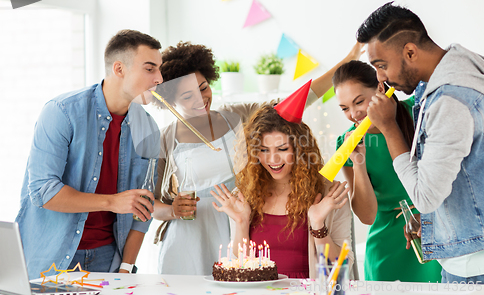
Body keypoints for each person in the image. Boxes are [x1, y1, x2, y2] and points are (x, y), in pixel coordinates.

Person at [151, 41, 363, 275]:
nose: (200, 99)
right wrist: (173, 210)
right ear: (171, 101)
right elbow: (149, 204)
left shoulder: (238, 115)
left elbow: (297, 102)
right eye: (188, 96)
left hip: (239, 225)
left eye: (203, 88)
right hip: (191, 238)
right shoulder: (165, 139)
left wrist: (346, 61)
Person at [357, 2, 484, 283]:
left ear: (410, 51)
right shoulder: (469, 71)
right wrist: (439, 221)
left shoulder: (450, 101)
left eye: (382, 65)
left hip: (479, 269)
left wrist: (389, 128)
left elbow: (424, 197)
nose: (380, 78)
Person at [16, 29, 163, 279]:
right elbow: (43, 191)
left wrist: (126, 267)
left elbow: (143, 206)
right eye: (150, 69)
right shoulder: (61, 112)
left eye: (160, 69)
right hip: (50, 256)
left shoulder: (148, 128)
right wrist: (112, 201)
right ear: (119, 69)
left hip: (108, 258)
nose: (159, 78)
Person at [210, 104, 353, 278]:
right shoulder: (244, 195)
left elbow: (342, 266)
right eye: (263, 150)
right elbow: (241, 267)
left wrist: (317, 225)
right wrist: (241, 222)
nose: (273, 159)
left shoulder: (329, 193)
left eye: (282, 149)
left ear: (300, 149)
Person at [333, 60, 441, 282]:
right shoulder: (346, 145)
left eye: (359, 102)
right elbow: (366, 216)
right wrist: (359, 163)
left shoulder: (419, 111)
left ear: (380, 89)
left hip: (434, 230)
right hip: (385, 247)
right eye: (344, 108)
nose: (353, 114)